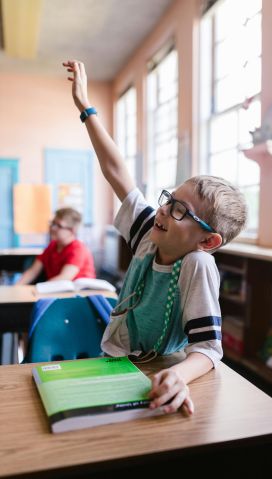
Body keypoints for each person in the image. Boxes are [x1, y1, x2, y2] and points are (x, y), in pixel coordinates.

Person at [62, 60, 247, 416]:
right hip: (118, 360)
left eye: (180, 211)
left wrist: (178, 375)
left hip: (156, 370)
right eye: (169, 201)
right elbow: (116, 172)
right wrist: (85, 107)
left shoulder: (197, 264)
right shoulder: (150, 233)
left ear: (208, 241)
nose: (163, 211)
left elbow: (208, 349)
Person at [16, 207, 96, 285]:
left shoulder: (78, 249)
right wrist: (16, 287)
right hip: (57, 293)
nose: (52, 228)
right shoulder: (52, 246)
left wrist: (39, 289)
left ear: (72, 230)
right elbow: (33, 271)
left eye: (59, 225)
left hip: (81, 295)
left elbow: (64, 277)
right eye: (53, 223)